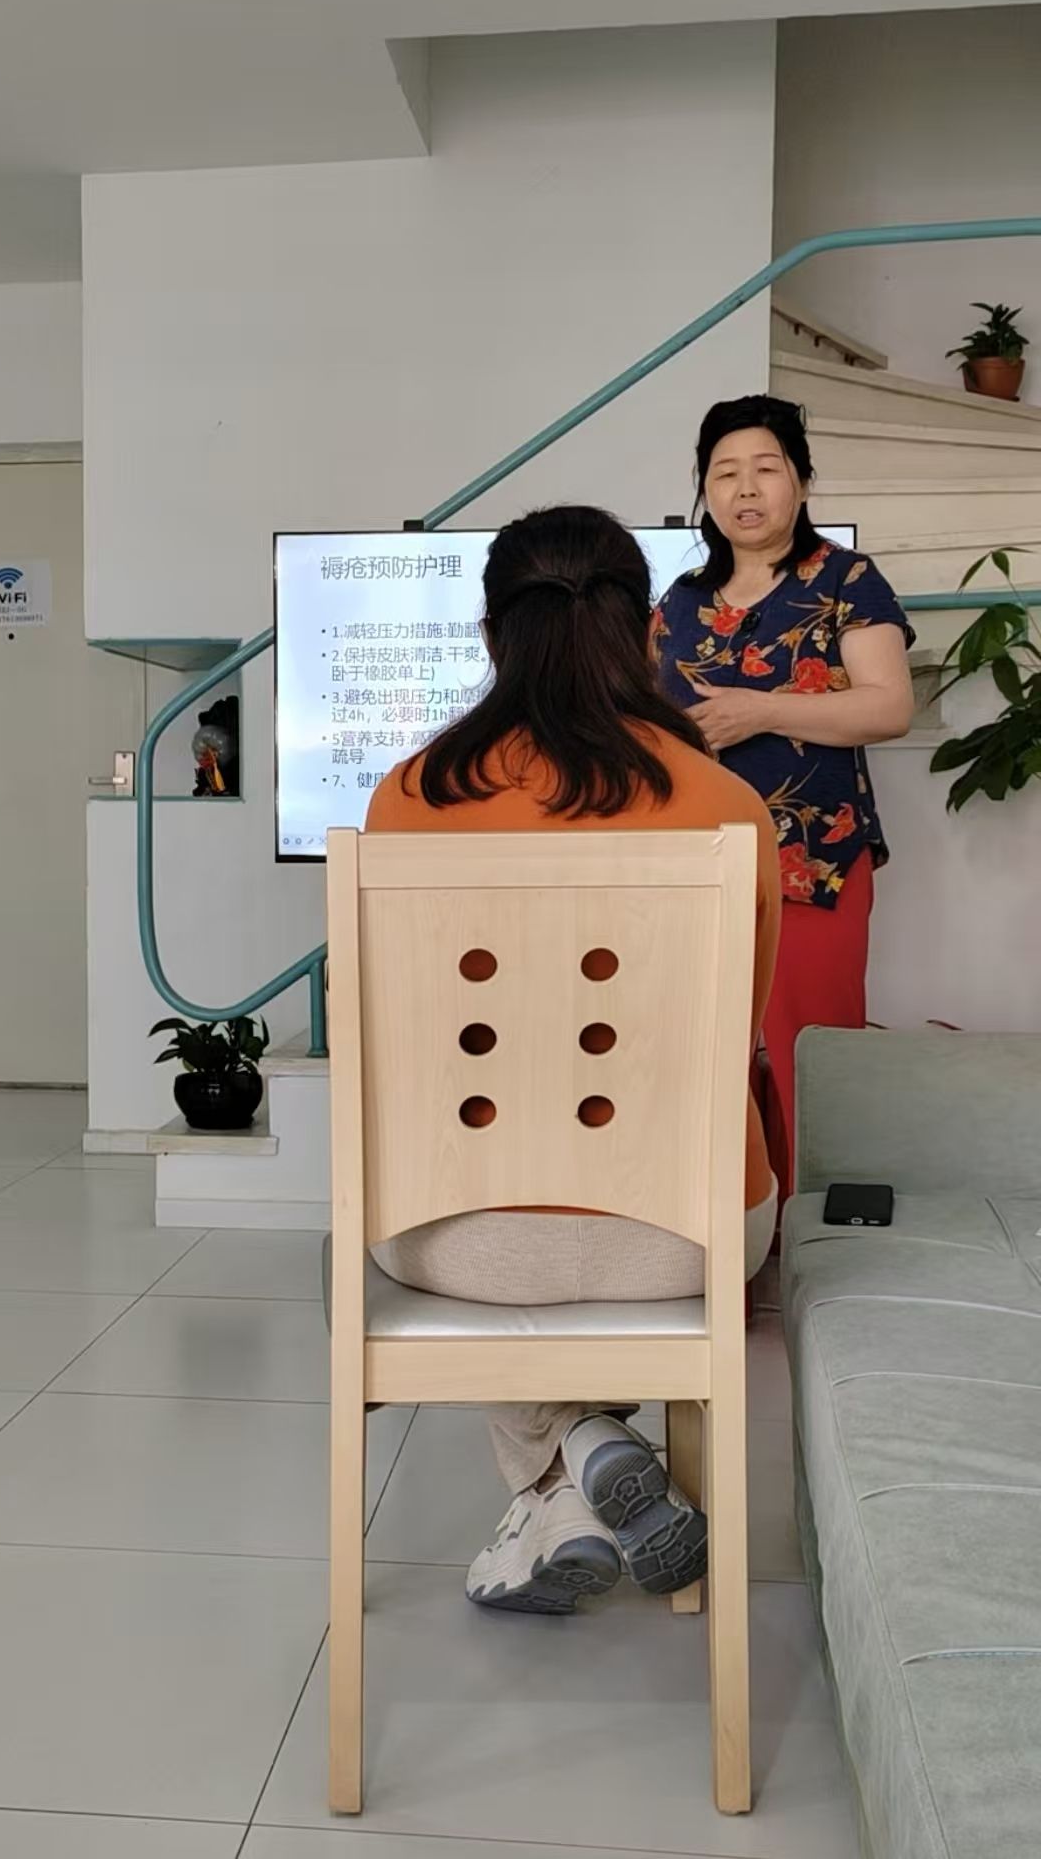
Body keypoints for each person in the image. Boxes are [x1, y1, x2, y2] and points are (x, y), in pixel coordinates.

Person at [364, 504, 781, 1616]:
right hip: (686, 1236)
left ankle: (562, 1464)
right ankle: (584, 1452)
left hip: (462, 1237)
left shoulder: (403, 803)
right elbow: (743, 1026)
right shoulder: (729, 806)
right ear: (647, 631)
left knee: (445, 1193)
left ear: (490, 635)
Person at [654, 395, 914, 1198]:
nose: (745, 489)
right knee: (704, 1059)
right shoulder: (679, 601)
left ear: (801, 481)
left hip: (814, 859)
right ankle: (726, 1232)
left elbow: (889, 706)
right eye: (724, 473)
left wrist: (762, 709)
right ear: (704, 488)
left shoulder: (846, 578)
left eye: (765, 469)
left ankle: (816, 1239)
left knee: (813, 1059)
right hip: (698, 865)